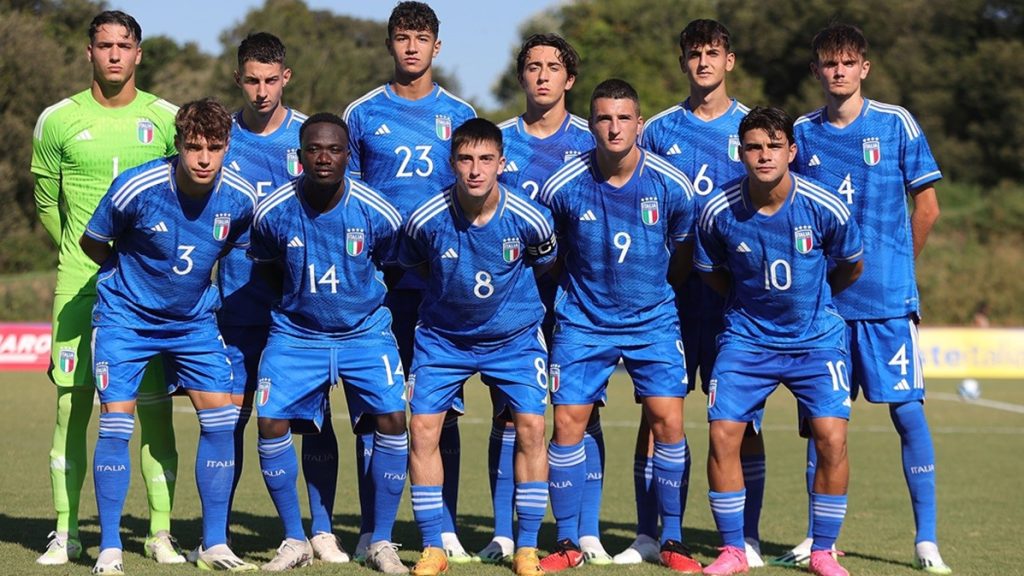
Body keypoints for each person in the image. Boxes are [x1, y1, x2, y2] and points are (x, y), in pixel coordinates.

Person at [782, 23, 949, 575]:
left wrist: (899, 268)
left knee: (908, 413)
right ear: (816, 71)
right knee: (823, 422)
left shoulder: (895, 123)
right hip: (826, 307)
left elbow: (927, 207)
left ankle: (926, 540)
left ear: (864, 68)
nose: (838, 71)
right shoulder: (801, 133)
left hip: (887, 304)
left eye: (848, 62)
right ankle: (818, 539)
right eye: (829, 63)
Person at [31, 10, 183, 566]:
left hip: (150, 294)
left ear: (139, 53)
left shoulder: (166, 119)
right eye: (104, 45)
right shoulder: (56, 120)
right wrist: (84, 251)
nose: (114, 54)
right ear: (89, 52)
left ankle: (160, 532)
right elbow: (47, 203)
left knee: (155, 411)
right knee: (70, 409)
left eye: (124, 45)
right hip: (80, 286)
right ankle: (66, 531)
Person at [80, 98, 258, 574]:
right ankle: (110, 548)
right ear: (178, 144)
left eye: (214, 148)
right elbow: (93, 240)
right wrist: (132, 283)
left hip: (193, 323)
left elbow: (233, 245)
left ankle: (214, 544)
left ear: (227, 146)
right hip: (125, 320)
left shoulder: (240, 197)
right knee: (116, 425)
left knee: (221, 421)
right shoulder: (137, 187)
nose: (204, 158)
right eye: (194, 147)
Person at [537, 79, 701, 573]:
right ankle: (568, 542)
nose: (614, 127)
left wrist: (652, 292)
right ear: (591, 125)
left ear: (639, 124)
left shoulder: (671, 185)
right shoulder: (563, 186)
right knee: (568, 423)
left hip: (652, 321)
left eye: (623, 117)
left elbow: (683, 253)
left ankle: (672, 540)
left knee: (668, 422)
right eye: (604, 118)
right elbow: (550, 253)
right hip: (583, 321)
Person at [696, 106, 863, 576]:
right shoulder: (718, 211)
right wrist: (749, 307)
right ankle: (734, 550)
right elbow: (710, 272)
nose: (764, 155)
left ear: (791, 150)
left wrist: (814, 303)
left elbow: (851, 266)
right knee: (723, 434)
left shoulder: (824, 206)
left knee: (832, 438)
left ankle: (823, 550)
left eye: (773, 146)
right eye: (754, 147)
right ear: (740, 153)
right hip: (747, 341)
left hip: (816, 341)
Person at [342, 1, 476, 562]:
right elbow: (346, 198)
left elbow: (469, 197)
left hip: (440, 287)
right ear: (390, 44)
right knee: (376, 411)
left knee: (441, 410)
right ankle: (373, 531)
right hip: (375, 284)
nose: (412, 47)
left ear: (436, 47)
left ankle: (443, 529)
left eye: (422, 38)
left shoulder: (459, 113)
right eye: (403, 37)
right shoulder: (362, 113)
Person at [249, 113, 409, 575]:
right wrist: (300, 302)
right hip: (297, 334)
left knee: (392, 419)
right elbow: (267, 266)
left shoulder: (378, 211)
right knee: (271, 421)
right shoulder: (272, 211)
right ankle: (294, 539)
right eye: (314, 149)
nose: (324, 157)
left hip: (364, 333)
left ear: (348, 155)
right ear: (299, 155)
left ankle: (381, 541)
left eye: (334, 149)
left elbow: (393, 265)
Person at [212, 32, 348, 566]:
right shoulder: (222, 138)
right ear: (238, 79)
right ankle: (218, 535)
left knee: (315, 419)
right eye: (252, 80)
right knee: (231, 419)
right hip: (238, 301)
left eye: (271, 80)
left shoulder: (311, 137)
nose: (262, 90)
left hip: (301, 306)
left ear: (285, 77)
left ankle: (323, 531)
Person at [631, 19, 764, 568]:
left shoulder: (753, 128)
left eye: (713, 53)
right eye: (694, 54)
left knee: (741, 418)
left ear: (729, 61)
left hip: (733, 297)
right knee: (658, 413)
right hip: (672, 296)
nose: (703, 62)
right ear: (682, 61)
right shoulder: (659, 130)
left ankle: (747, 537)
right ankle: (653, 533)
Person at [401, 118, 555, 576]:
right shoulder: (425, 219)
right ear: (452, 163)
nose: (475, 170)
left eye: (486, 159)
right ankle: (433, 548)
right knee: (422, 430)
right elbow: (416, 263)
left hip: (514, 339)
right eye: (466, 159)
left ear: (501, 164)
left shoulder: (530, 217)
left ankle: (527, 548)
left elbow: (543, 260)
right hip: (443, 339)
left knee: (532, 428)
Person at [485, 33, 602, 565]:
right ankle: (505, 533)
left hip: (579, 299)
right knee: (511, 414)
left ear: (569, 79)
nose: (542, 76)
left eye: (553, 67)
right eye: (533, 67)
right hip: (512, 301)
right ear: (521, 76)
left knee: (582, 413)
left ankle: (586, 532)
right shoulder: (499, 141)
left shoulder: (592, 140)